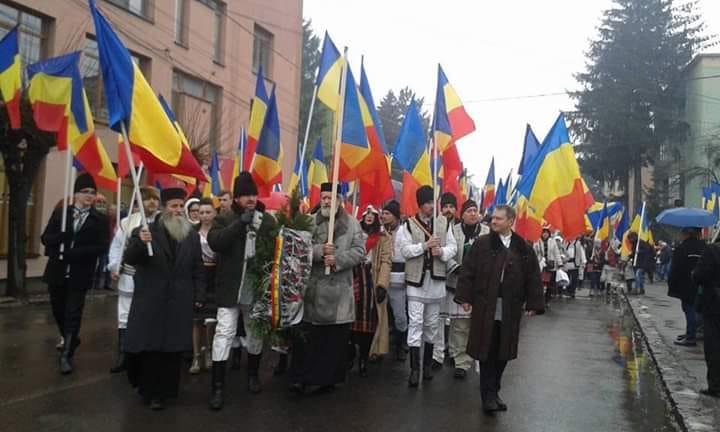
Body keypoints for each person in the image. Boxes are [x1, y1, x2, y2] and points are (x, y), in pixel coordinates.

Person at [455, 205, 544, 414]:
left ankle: (494, 391)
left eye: (498, 219)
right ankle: (487, 396)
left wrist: (534, 303)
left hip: (510, 307)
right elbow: (468, 270)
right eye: (492, 218)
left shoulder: (522, 247)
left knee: (503, 351)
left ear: (510, 221)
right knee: (486, 350)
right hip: (486, 306)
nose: (493, 222)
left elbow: (532, 276)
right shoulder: (482, 244)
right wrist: (465, 297)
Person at [123, 187, 205, 411]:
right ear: (163, 208)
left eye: (181, 206)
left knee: (172, 350)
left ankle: (168, 391)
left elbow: (197, 268)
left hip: (179, 300)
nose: (178, 210)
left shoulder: (191, 236)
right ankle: (150, 392)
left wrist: (199, 295)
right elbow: (130, 259)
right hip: (151, 299)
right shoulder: (145, 231)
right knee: (151, 350)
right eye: (174, 206)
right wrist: (140, 242)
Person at [207, 172, 276, 410]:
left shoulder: (266, 221)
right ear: (236, 198)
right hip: (230, 288)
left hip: (254, 288)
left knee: (254, 333)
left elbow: (274, 250)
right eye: (246, 194)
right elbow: (216, 242)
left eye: (253, 194)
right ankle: (217, 387)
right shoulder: (225, 218)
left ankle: (253, 375)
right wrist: (240, 224)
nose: (251, 198)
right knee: (224, 332)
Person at [289, 182, 365, 394]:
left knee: (333, 341)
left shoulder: (352, 224)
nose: (326, 201)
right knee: (308, 338)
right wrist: (319, 251)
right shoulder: (309, 222)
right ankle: (302, 378)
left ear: (339, 200)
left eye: (330, 197)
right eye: (323, 197)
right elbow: (298, 249)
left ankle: (327, 379)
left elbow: (359, 251)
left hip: (340, 293)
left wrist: (337, 259)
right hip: (313, 290)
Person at [41, 173, 110, 375]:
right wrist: (59, 238)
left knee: (73, 312)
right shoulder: (62, 214)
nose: (89, 196)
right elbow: (45, 238)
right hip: (58, 270)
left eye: (92, 192)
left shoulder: (99, 219)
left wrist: (76, 253)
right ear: (76, 194)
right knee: (58, 310)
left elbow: (101, 246)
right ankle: (71, 337)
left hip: (80, 272)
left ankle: (67, 355)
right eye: (85, 192)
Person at [396, 185, 457, 387]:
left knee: (432, 323)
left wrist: (442, 252)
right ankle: (414, 370)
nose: (431, 206)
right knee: (415, 323)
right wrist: (424, 246)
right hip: (416, 281)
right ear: (420, 205)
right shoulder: (409, 225)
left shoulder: (443, 224)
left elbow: (453, 247)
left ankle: (428, 365)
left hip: (437, 280)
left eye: (433, 202)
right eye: (427, 203)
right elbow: (404, 250)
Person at [107, 186, 160, 374]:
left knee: (150, 316)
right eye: (147, 199)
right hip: (129, 276)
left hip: (154, 277)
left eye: (155, 198)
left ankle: (146, 355)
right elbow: (117, 246)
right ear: (139, 202)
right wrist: (114, 265)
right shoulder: (127, 222)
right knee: (124, 317)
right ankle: (124, 355)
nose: (152, 202)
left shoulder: (163, 221)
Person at [445, 199, 488, 379]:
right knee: (459, 324)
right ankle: (460, 361)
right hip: (459, 283)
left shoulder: (486, 232)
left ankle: (474, 357)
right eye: (469, 210)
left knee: (476, 324)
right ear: (462, 214)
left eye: (475, 210)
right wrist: (457, 268)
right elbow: (447, 252)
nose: (472, 213)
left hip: (480, 286)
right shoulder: (453, 231)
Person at [350, 205, 391, 377]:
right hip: (353, 279)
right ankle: (350, 354)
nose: (369, 216)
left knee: (369, 323)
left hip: (371, 283)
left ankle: (364, 358)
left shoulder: (383, 238)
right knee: (350, 320)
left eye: (372, 213)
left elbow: (386, 261)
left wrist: (382, 285)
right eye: (366, 213)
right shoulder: (353, 234)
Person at [190, 198, 219, 374]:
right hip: (197, 278)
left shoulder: (219, 232)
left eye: (208, 212)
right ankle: (195, 356)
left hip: (214, 277)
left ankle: (208, 351)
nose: (205, 215)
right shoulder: (192, 233)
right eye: (201, 212)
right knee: (195, 320)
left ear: (214, 213)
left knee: (210, 321)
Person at [432, 192, 458, 369]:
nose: (448, 210)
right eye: (445, 207)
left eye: (451, 207)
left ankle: (455, 351)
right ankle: (437, 354)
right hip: (439, 278)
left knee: (457, 319)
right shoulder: (435, 226)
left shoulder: (460, 228)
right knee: (439, 319)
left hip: (459, 281)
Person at [691, 238, 720, 398]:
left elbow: (700, 275)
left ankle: (715, 386)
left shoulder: (713, 250)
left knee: (714, 345)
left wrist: (694, 274)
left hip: (714, 305)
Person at [668, 228, 705, 347]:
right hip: (701, 284)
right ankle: (692, 332)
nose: (681, 235)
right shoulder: (705, 247)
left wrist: (672, 284)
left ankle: (690, 337)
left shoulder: (682, 248)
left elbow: (675, 269)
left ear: (687, 234)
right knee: (697, 309)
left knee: (689, 310)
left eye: (682, 233)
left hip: (686, 284)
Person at [382, 200, 409, 361]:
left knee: (400, 315)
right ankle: (379, 347)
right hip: (381, 280)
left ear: (396, 216)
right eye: (383, 213)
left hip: (399, 280)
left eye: (387, 213)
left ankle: (401, 343)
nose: (384, 216)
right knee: (381, 315)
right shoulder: (379, 231)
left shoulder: (404, 232)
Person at [533, 227, 563, 304]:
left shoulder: (552, 242)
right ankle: (540, 299)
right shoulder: (537, 241)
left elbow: (556, 253)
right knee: (540, 283)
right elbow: (534, 253)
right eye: (543, 233)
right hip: (541, 265)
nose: (545, 234)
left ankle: (547, 299)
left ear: (549, 234)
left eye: (546, 233)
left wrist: (559, 263)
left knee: (550, 284)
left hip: (551, 265)